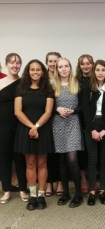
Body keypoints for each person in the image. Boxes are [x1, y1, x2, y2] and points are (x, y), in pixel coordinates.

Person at [14, 59, 54, 211]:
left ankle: (41, 195)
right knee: (30, 164)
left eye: (38, 69)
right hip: (26, 130)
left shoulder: (48, 89)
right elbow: (17, 111)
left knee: (42, 163)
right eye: (32, 70)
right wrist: (32, 127)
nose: (35, 72)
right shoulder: (21, 88)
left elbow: (48, 112)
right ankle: (32, 195)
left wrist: (37, 126)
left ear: (42, 72)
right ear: (28, 71)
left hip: (42, 129)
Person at [52, 57, 84, 208]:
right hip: (57, 124)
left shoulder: (77, 84)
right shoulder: (52, 86)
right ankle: (65, 193)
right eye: (60, 67)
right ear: (56, 69)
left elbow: (84, 106)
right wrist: (56, 109)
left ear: (70, 68)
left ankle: (78, 194)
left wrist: (73, 110)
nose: (64, 69)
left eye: (66, 66)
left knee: (72, 160)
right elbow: (47, 107)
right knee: (61, 161)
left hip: (73, 123)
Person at [82, 60, 105, 206]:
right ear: (94, 72)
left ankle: (102, 190)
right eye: (98, 70)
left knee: (104, 160)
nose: (100, 72)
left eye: (103, 70)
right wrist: (93, 130)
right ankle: (92, 191)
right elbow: (85, 111)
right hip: (91, 126)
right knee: (92, 160)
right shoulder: (88, 89)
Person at [0, 53, 28, 204]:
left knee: (20, 158)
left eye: (18, 63)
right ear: (6, 64)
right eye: (12, 62)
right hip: (2, 125)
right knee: (4, 159)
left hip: (20, 125)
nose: (15, 65)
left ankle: (23, 189)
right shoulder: (0, 82)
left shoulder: (24, 83)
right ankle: (6, 191)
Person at [44, 51, 63, 197]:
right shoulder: (42, 79)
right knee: (48, 153)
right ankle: (49, 182)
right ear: (47, 63)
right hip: (45, 120)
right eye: (50, 61)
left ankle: (61, 183)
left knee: (59, 154)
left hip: (60, 119)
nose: (53, 64)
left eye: (56, 61)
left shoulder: (64, 78)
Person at [75, 54, 94, 194]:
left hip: (95, 120)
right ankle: (84, 180)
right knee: (82, 151)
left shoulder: (97, 79)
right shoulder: (75, 81)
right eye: (83, 64)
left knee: (93, 152)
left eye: (88, 63)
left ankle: (94, 181)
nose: (86, 66)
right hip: (78, 119)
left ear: (92, 64)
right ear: (79, 65)